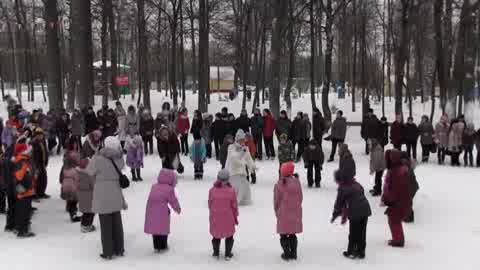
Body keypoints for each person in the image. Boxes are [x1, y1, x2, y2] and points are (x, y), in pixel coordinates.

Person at [90, 136, 127, 260]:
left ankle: (108, 251)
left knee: (105, 225)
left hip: (102, 194)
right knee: (117, 222)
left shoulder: (98, 158)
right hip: (115, 192)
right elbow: (121, 167)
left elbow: (90, 171)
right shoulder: (119, 158)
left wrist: (95, 154)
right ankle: (119, 249)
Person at [331, 168, 371, 260]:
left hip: (356, 212)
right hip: (365, 210)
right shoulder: (357, 184)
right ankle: (361, 251)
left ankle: (351, 251)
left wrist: (335, 214)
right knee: (362, 232)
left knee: (353, 233)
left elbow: (339, 203)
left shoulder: (343, 188)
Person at [144, 168, 181, 252]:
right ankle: (163, 246)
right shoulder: (169, 189)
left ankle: (156, 246)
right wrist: (178, 209)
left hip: (151, 210)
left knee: (155, 229)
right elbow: (173, 201)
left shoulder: (154, 186)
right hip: (162, 212)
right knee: (163, 229)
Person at [382, 150, 411, 248]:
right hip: (398, 200)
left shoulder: (397, 171)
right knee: (394, 219)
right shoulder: (397, 169)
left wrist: (388, 199)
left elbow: (394, 188)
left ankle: (398, 240)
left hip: (397, 200)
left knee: (394, 220)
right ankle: (397, 238)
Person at [274, 162, 303, 261]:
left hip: (283, 213)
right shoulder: (297, 182)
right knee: (292, 233)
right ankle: (294, 253)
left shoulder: (279, 184)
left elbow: (276, 200)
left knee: (283, 234)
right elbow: (300, 197)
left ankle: (286, 254)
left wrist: (277, 211)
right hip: (295, 211)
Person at [208, 169, 239, 260]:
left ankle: (216, 252)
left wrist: (213, 212)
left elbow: (210, 203)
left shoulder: (212, 190)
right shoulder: (231, 191)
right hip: (228, 218)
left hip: (215, 217)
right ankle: (228, 254)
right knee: (229, 236)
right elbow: (234, 206)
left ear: (218, 178)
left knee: (216, 236)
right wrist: (235, 216)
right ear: (228, 179)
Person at [225, 130, 255, 206]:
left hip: (242, 172)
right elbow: (233, 158)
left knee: (244, 186)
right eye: (241, 140)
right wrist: (242, 152)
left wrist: (252, 167)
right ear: (237, 140)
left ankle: (245, 200)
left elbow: (249, 159)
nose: (243, 142)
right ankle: (234, 201)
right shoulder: (231, 147)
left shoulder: (245, 148)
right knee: (235, 187)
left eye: (243, 140)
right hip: (233, 172)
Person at [12, 143, 36, 237]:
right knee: (24, 211)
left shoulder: (24, 160)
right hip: (24, 192)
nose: (30, 152)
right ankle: (22, 231)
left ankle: (21, 228)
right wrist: (28, 180)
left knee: (23, 210)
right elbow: (19, 176)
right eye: (28, 150)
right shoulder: (22, 161)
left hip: (25, 191)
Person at [60, 145, 81, 223]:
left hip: (67, 187)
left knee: (70, 200)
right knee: (73, 201)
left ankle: (70, 210)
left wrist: (62, 183)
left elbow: (61, 177)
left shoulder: (65, 167)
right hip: (74, 188)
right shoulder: (76, 169)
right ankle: (73, 215)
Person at [399, 152, 419, 223]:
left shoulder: (404, 166)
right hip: (412, 186)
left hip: (409, 187)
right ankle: (407, 216)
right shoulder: (407, 164)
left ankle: (408, 218)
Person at [31, 127, 49, 199]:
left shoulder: (43, 141)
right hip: (36, 164)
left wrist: (46, 161)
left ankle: (41, 192)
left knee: (43, 179)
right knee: (36, 180)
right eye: (38, 134)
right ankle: (35, 194)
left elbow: (45, 152)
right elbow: (33, 155)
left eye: (41, 134)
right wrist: (36, 166)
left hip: (42, 163)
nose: (40, 136)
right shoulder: (33, 142)